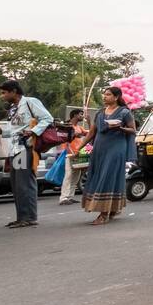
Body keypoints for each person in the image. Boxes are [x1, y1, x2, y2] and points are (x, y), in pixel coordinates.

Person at [0, 80, 53, 229]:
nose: (2, 96)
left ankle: (29, 217)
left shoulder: (30, 102)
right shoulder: (12, 109)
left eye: (4, 92)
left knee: (24, 183)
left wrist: (32, 131)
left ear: (14, 91)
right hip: (15, 149)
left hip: (26, 148)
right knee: (16, 184)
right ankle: (21, 216)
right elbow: (13, 130)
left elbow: (47, 119)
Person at [80, 86, 137, 225]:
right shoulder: (100, 113)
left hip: (116, 149)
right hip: (99, 150)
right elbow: (92, 132)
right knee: (99, 176)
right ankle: (111, 210)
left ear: (116, 97)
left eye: (108, 94)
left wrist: (120, 128)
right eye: (104, 94)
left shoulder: (124, 112)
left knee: (107, 177)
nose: (104, 97)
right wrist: (79, 147)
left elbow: (133, 130)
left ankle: (104, 213)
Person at [59, 110, 88, 205]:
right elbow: (63, 139)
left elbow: (91, 132)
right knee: (68, 176)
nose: (82, 116)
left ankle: (70, 196)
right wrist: (74, 135)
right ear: (75, 115)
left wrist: (89, 121)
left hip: (78, 154)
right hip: (69, 154)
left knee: (76, 177)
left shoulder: (79, 127)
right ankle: (63, 198)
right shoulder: (67, 126)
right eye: (81, 114)